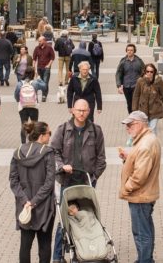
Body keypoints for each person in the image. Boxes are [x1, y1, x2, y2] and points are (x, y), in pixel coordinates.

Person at [50, 100, 106, 262]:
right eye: (79, 110)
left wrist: (93, 177)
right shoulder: (63, 130)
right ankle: (57, 257)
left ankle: (85, 253)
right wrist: (61, 166)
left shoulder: (96, 131)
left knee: (87, 218)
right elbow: (54, 152)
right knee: (65, 220)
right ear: (72, 111)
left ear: (89, 111)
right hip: (67, 182)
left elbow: (101, 158)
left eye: (84, 110)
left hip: (86, 184)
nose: (81, 113)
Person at [9, 121, 56, 263]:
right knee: (45, 244)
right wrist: (34, 201)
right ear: (42, 136)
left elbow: (13, 180)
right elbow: (49, 182)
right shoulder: (47, 153)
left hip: (24, 207)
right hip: (44, 206)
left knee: (25, 245)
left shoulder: (17, 153)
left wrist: (25, 201)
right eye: (49, 133)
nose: (50, 136)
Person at [118, 111, 162, 263]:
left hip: (140, 196)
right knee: (146, 229)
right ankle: (145, 259)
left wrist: (126, 187)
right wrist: (129, 157)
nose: (127, 129)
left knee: (141, 233)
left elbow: (139, 176)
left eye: (130, 125)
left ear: (139, 124)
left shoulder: (145, 144)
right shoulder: (146, 139)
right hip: (144, 194)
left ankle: (145, 260)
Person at [133, 64, 163, 133]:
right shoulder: (140, 81)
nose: (149, 73)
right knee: (146, 130)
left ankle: (152, 143)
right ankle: (153, 142)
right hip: (143, 110)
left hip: (155, 110)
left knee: (152, 129)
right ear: (145, 72)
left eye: (151, 72)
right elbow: (136, 95)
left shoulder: (158, 81)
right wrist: (135, 109)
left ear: (154, 72)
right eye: (147, 71)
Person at [14, 68, 47, 143]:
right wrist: (39, 79)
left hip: (23, 107)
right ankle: (33, 141)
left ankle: (23, 143)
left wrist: (19, 101)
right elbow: (44, 87)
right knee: (35, 125)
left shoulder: (20, 83)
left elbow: (16, 95)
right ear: (33, 74)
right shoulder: (35, 83)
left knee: (23, 125)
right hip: (33, 107)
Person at [116, 44, 144, 113]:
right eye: (128, 50)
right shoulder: (123, 61)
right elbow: (118, 73)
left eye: (131, 50)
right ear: (126, 51)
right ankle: (131, 117)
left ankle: (136, 118)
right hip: (126, 86)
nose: (129, 52)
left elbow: (144, 72)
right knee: (129, 103)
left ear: (134, 51)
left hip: (136, 86)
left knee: (136, 103)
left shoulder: (139, 61)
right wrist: (119, 86)